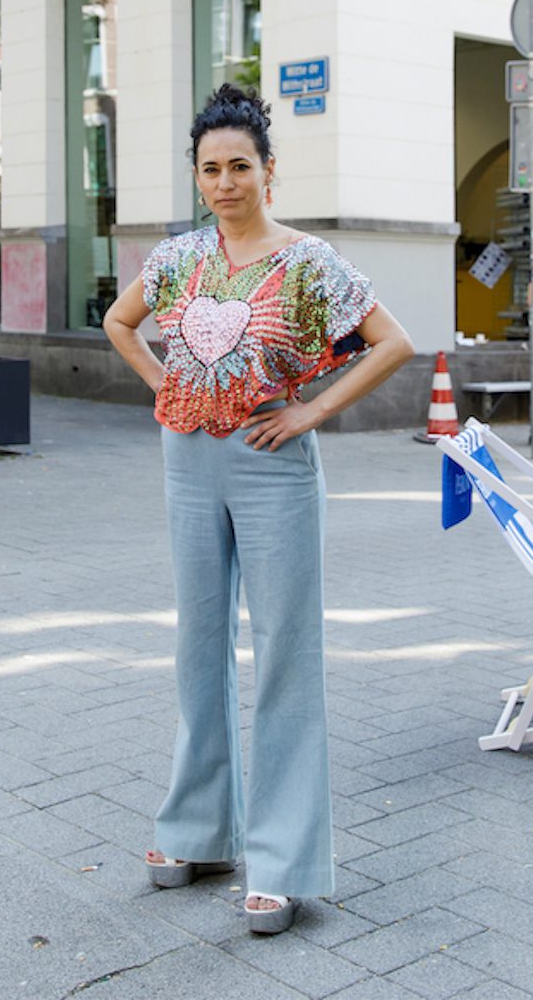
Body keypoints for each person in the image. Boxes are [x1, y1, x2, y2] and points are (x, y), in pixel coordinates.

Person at [102, 84, 414, 936]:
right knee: (196, 641)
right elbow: (119, 322)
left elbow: (394, 342)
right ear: (197, 177)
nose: (226, 181)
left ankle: (279, 861)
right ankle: (196, 830)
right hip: (187, 462)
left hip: (274, 465)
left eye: (240, 165)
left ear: (269, 172)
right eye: (211, 168)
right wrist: (174, 390)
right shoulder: (178, 259)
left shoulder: (308, 262)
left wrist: (312, 411)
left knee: (284, 650)